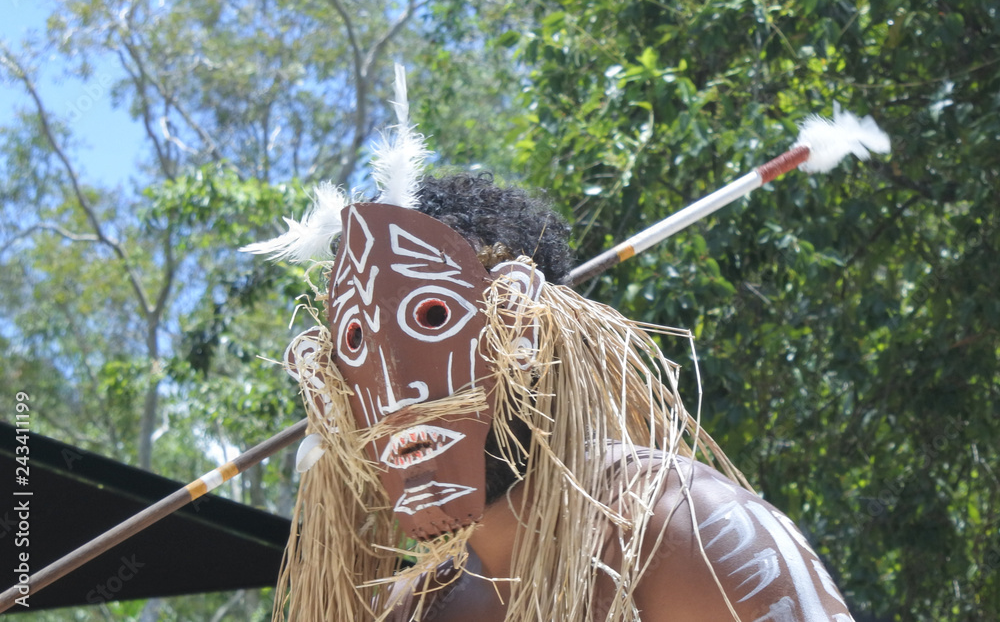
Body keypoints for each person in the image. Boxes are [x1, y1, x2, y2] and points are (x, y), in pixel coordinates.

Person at [243, 68, 856, 622]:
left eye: (431, 319)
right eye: (356, 344)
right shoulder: (414, 610)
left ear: (529, 330)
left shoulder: (686, 534)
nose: (400, 392)